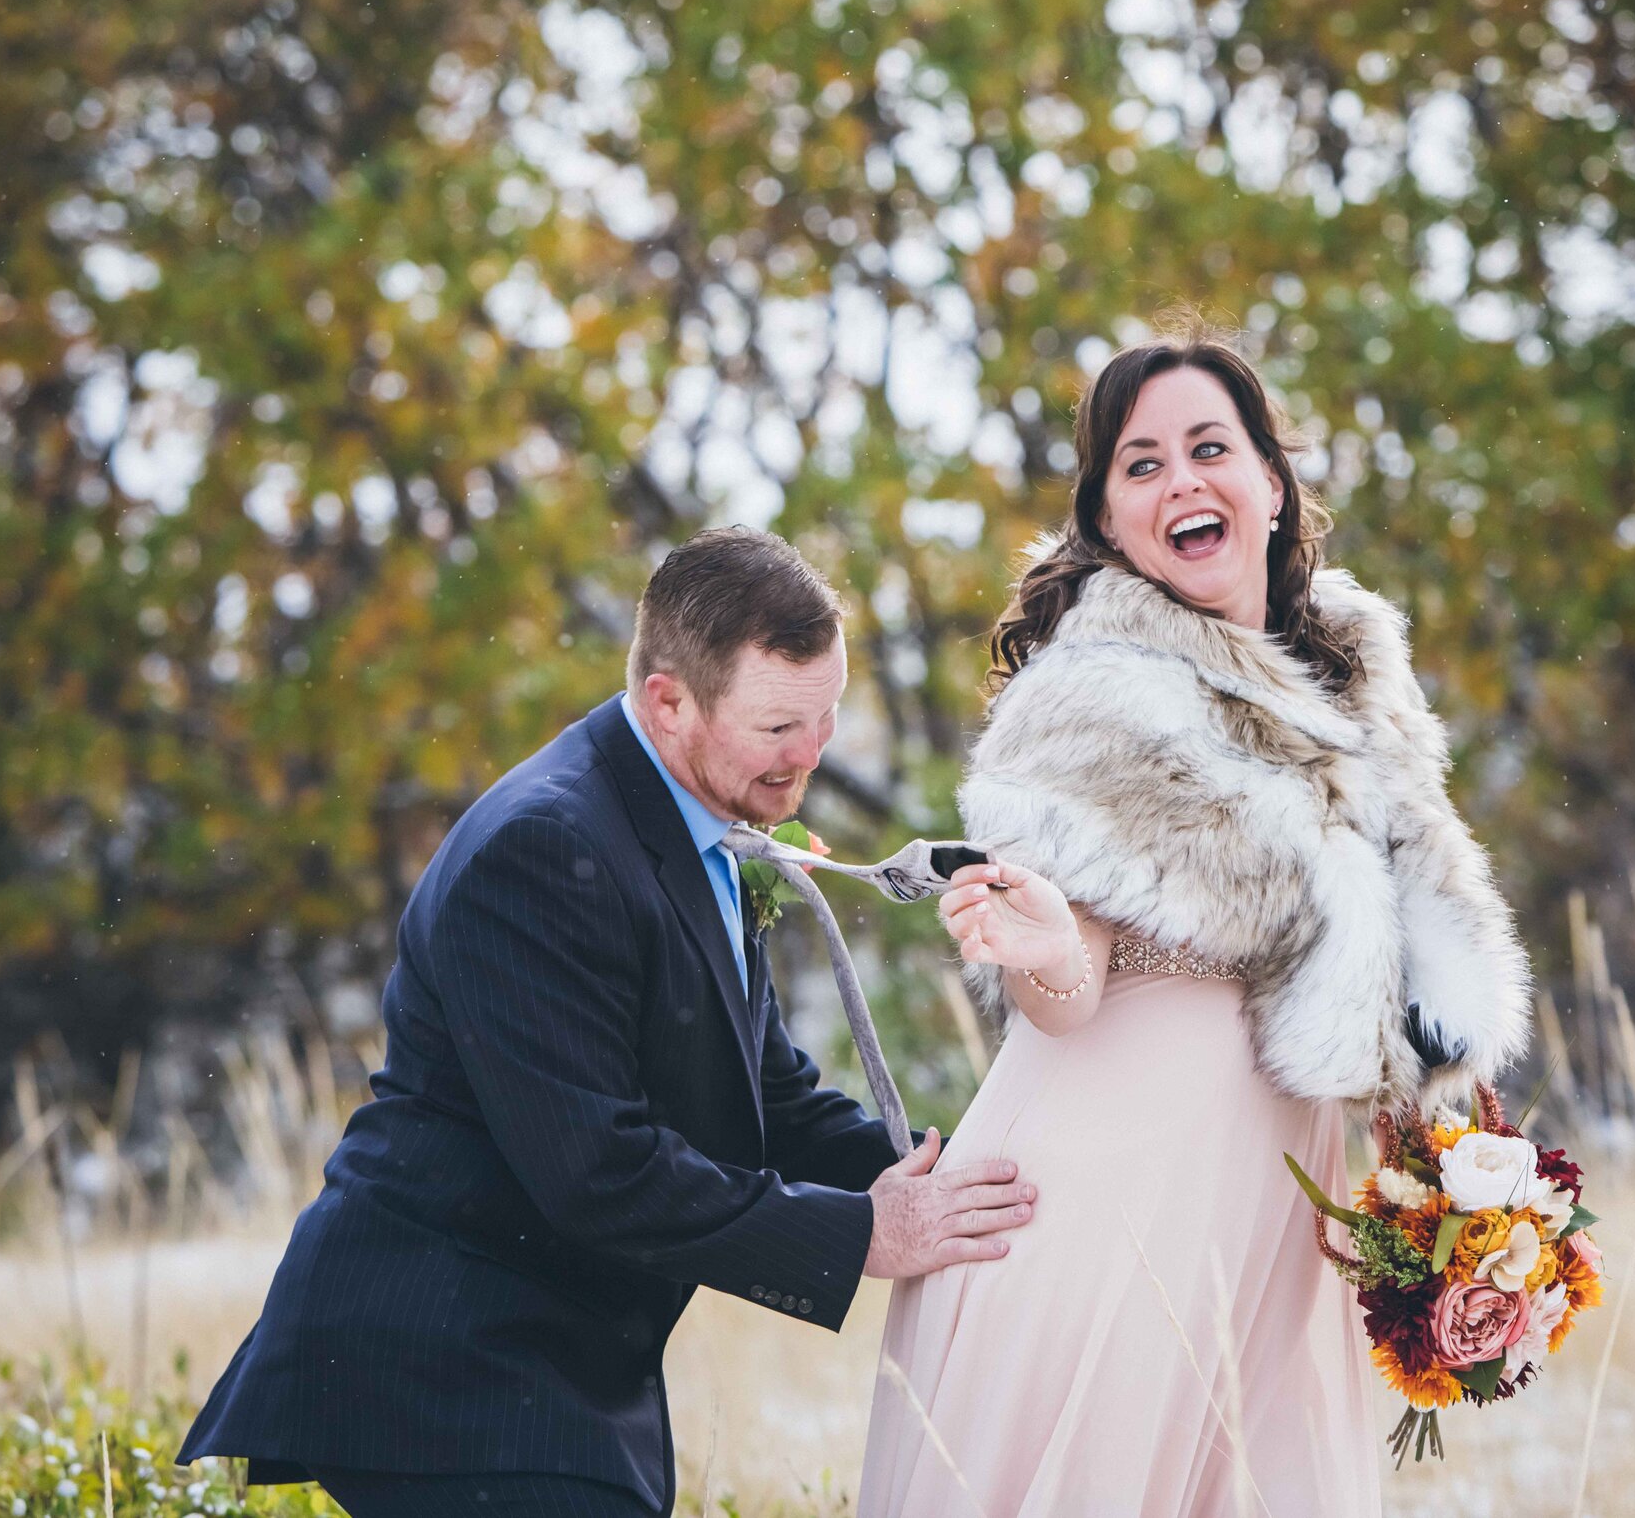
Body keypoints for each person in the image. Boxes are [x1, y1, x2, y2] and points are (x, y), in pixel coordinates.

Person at [178, 528, 1036, 1518]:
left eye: (828, 714)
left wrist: (953, 1173)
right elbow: (598, 1170)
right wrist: (862, 1232)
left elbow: (764, 1090)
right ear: (669, 700)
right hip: (444, 1360)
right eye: (777, 728)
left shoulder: (694, 819)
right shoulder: (544, 846)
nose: (810, 754)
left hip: (554, 1366)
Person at [858, 325, 1532, 1517]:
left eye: (1208, 448)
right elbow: (1063, 1000)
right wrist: (1046, 947)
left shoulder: (1356, 683)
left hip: (1277, 1215)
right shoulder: (1089, 698)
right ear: (1110, 521)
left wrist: (1451, 1194)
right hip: (1106, 1207)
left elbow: (1402, 980)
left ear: (1270, 482)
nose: (1182, 481)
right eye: (1142, 464)